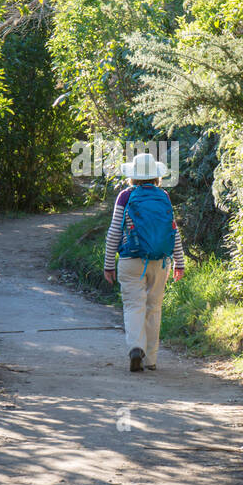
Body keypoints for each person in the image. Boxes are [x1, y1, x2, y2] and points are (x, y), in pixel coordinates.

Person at [102, 151, 185, 372]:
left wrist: (109, 263)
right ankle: (151, 360)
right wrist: (180, 261)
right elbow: (173, 230)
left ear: (133, 176)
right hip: (160, 261)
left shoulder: (125, 197)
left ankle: (136, 348)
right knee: (154, 307)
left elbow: (114, 232)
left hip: (130, 260)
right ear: (156, 176)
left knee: (133, 306)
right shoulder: (164, 196)